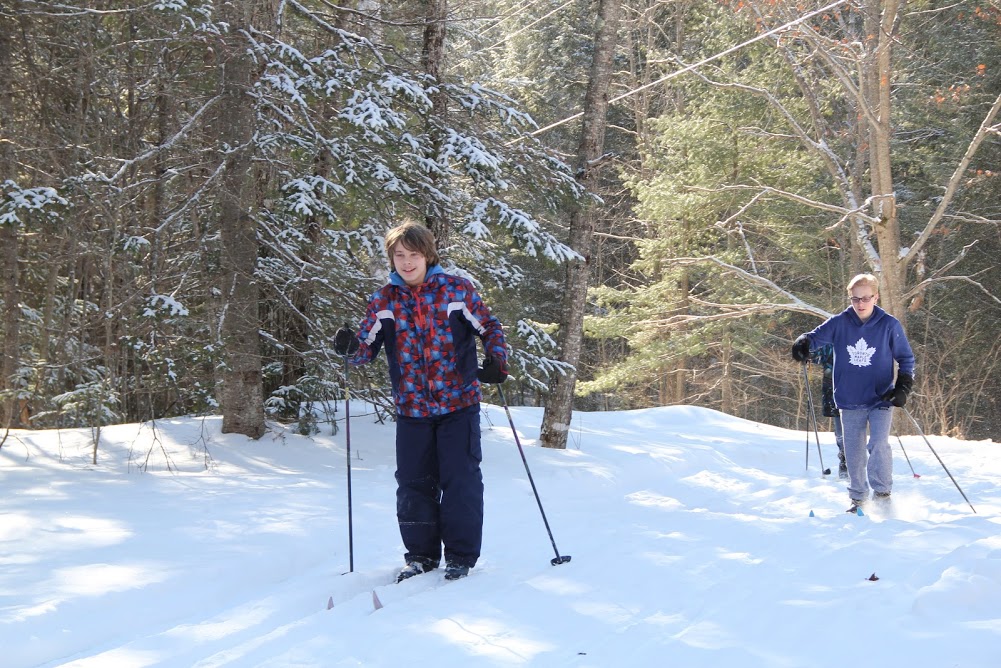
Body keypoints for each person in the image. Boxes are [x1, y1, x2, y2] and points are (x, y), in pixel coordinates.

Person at [333, 222, 508, 582]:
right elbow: (364, 351)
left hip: (458, 403)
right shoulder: (385, 301)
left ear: (427, 255)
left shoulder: (456, 291)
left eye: (413, 255)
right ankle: (421, 556)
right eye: (400, 255)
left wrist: (496, 360)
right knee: (413, 483)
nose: (407, 262)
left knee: (460, 481)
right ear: (392, 259)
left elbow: (489, 326)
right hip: (412, 409)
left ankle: (460, 556)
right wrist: (350, 348)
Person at [791, 273, 915, 512]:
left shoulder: (889, 324)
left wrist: (903, 386)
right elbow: (814, 338)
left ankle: (882, 494)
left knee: (878, 444)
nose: (860, 303)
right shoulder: (840, 322)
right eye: (855, 299)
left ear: (875, 297)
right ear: (850, 298)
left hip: (881, 397)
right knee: (853, 450)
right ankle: (858, 498)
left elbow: (906, 358)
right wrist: (802, 343)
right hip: (849, 397)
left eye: (866, 298)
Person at [810, 344, 847, 479]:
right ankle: (845, 459)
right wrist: (804, 351)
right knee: (840, 430)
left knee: (854, 428)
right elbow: (816, 354)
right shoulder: (830, 341)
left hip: (857, 388)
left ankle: (854, 461)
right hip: (833, 389)